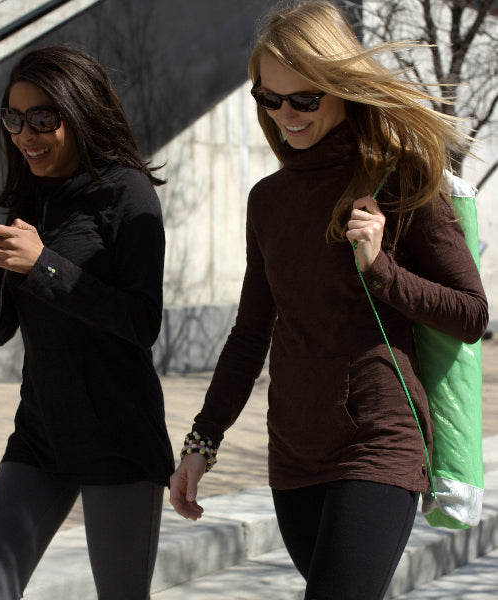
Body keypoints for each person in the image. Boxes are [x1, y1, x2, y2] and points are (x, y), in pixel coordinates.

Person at [169, 2, 488, 599]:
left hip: (379, 441)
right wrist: (200, 445)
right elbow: (249, 333)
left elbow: (471, 312)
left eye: (305, 99)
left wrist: (381, 270)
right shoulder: (268, 200)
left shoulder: (400, 179)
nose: (285, 115)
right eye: (270, 98)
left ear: (341, 88)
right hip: (293, 452)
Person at [0, 45, 174, 600]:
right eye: (13, 119)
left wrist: (43, 265)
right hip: (40, 437)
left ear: (78, 114)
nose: (25, 135)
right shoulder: (24, 200)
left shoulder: (128, 194)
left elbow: (141, 320)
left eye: (41, 119)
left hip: (118, 439)